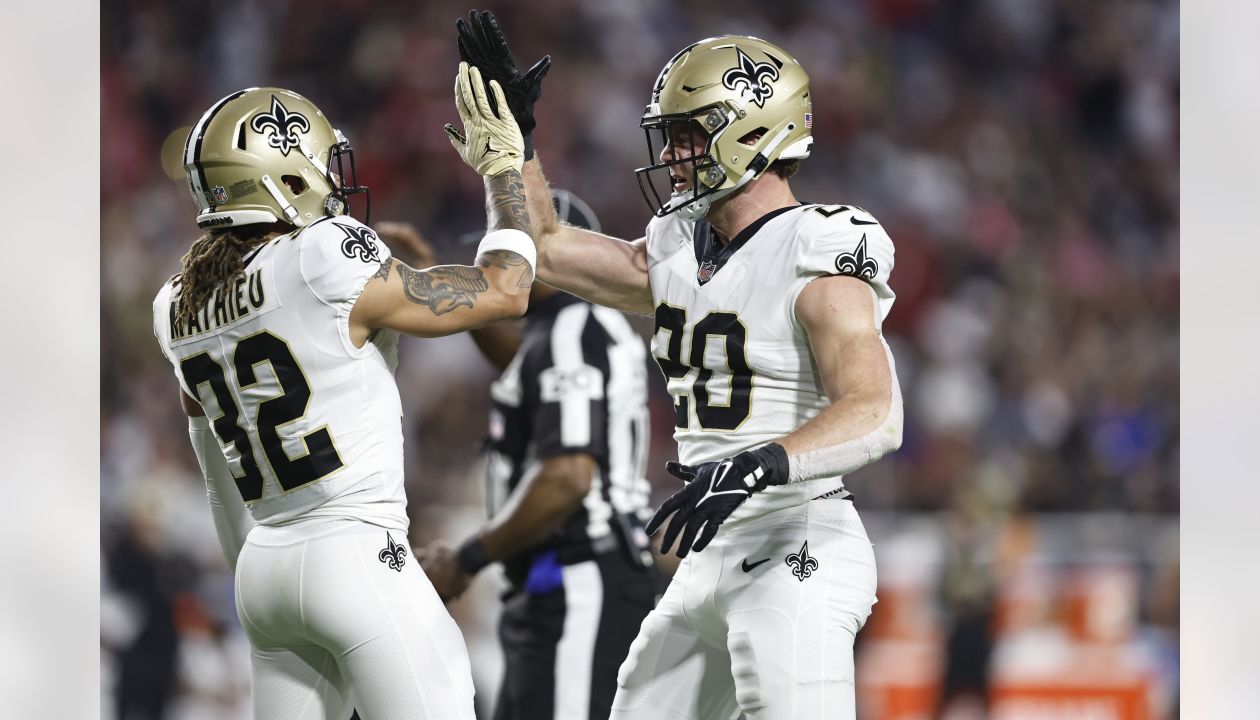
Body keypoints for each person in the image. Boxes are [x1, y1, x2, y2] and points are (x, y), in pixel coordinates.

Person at [451, 12, 904, 719]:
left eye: (693, 131)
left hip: (795, 543)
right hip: (707, 557)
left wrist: (759, 463)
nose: (676, 152)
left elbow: (875, 409)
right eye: (675, 133)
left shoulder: (819, 247)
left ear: (757, 131)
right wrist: (515, 152)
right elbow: (542, 241)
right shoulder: (675, 246)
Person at [151, 77, 534, 720]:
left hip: (264, 568)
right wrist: (505, 172)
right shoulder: (318, 254)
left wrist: (253, 560)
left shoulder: (174, 304)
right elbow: (507, 291)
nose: (332, 178)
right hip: (355, 553)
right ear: (283, 174)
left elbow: (214, 469)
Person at [379, 190, 659, 720]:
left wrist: (467, 559)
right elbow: (520, 361)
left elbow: (568, 476)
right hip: (567, 579)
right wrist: (438, 284)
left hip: (580, 576)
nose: (494, 266)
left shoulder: (575, 336)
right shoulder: (567, 334)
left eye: (509, 253)